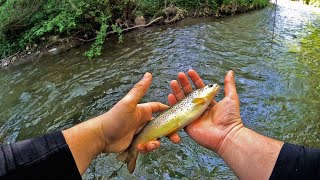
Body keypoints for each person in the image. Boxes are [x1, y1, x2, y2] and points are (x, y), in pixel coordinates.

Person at [0, 70, 319, 180]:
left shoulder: (200, 102)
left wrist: (229, 135)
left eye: (209, 90)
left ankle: (129, 151)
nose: (211, 91)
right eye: (208, 90)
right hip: (155, 127)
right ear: (203, 95)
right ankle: (130, 152)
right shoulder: (199, 100)